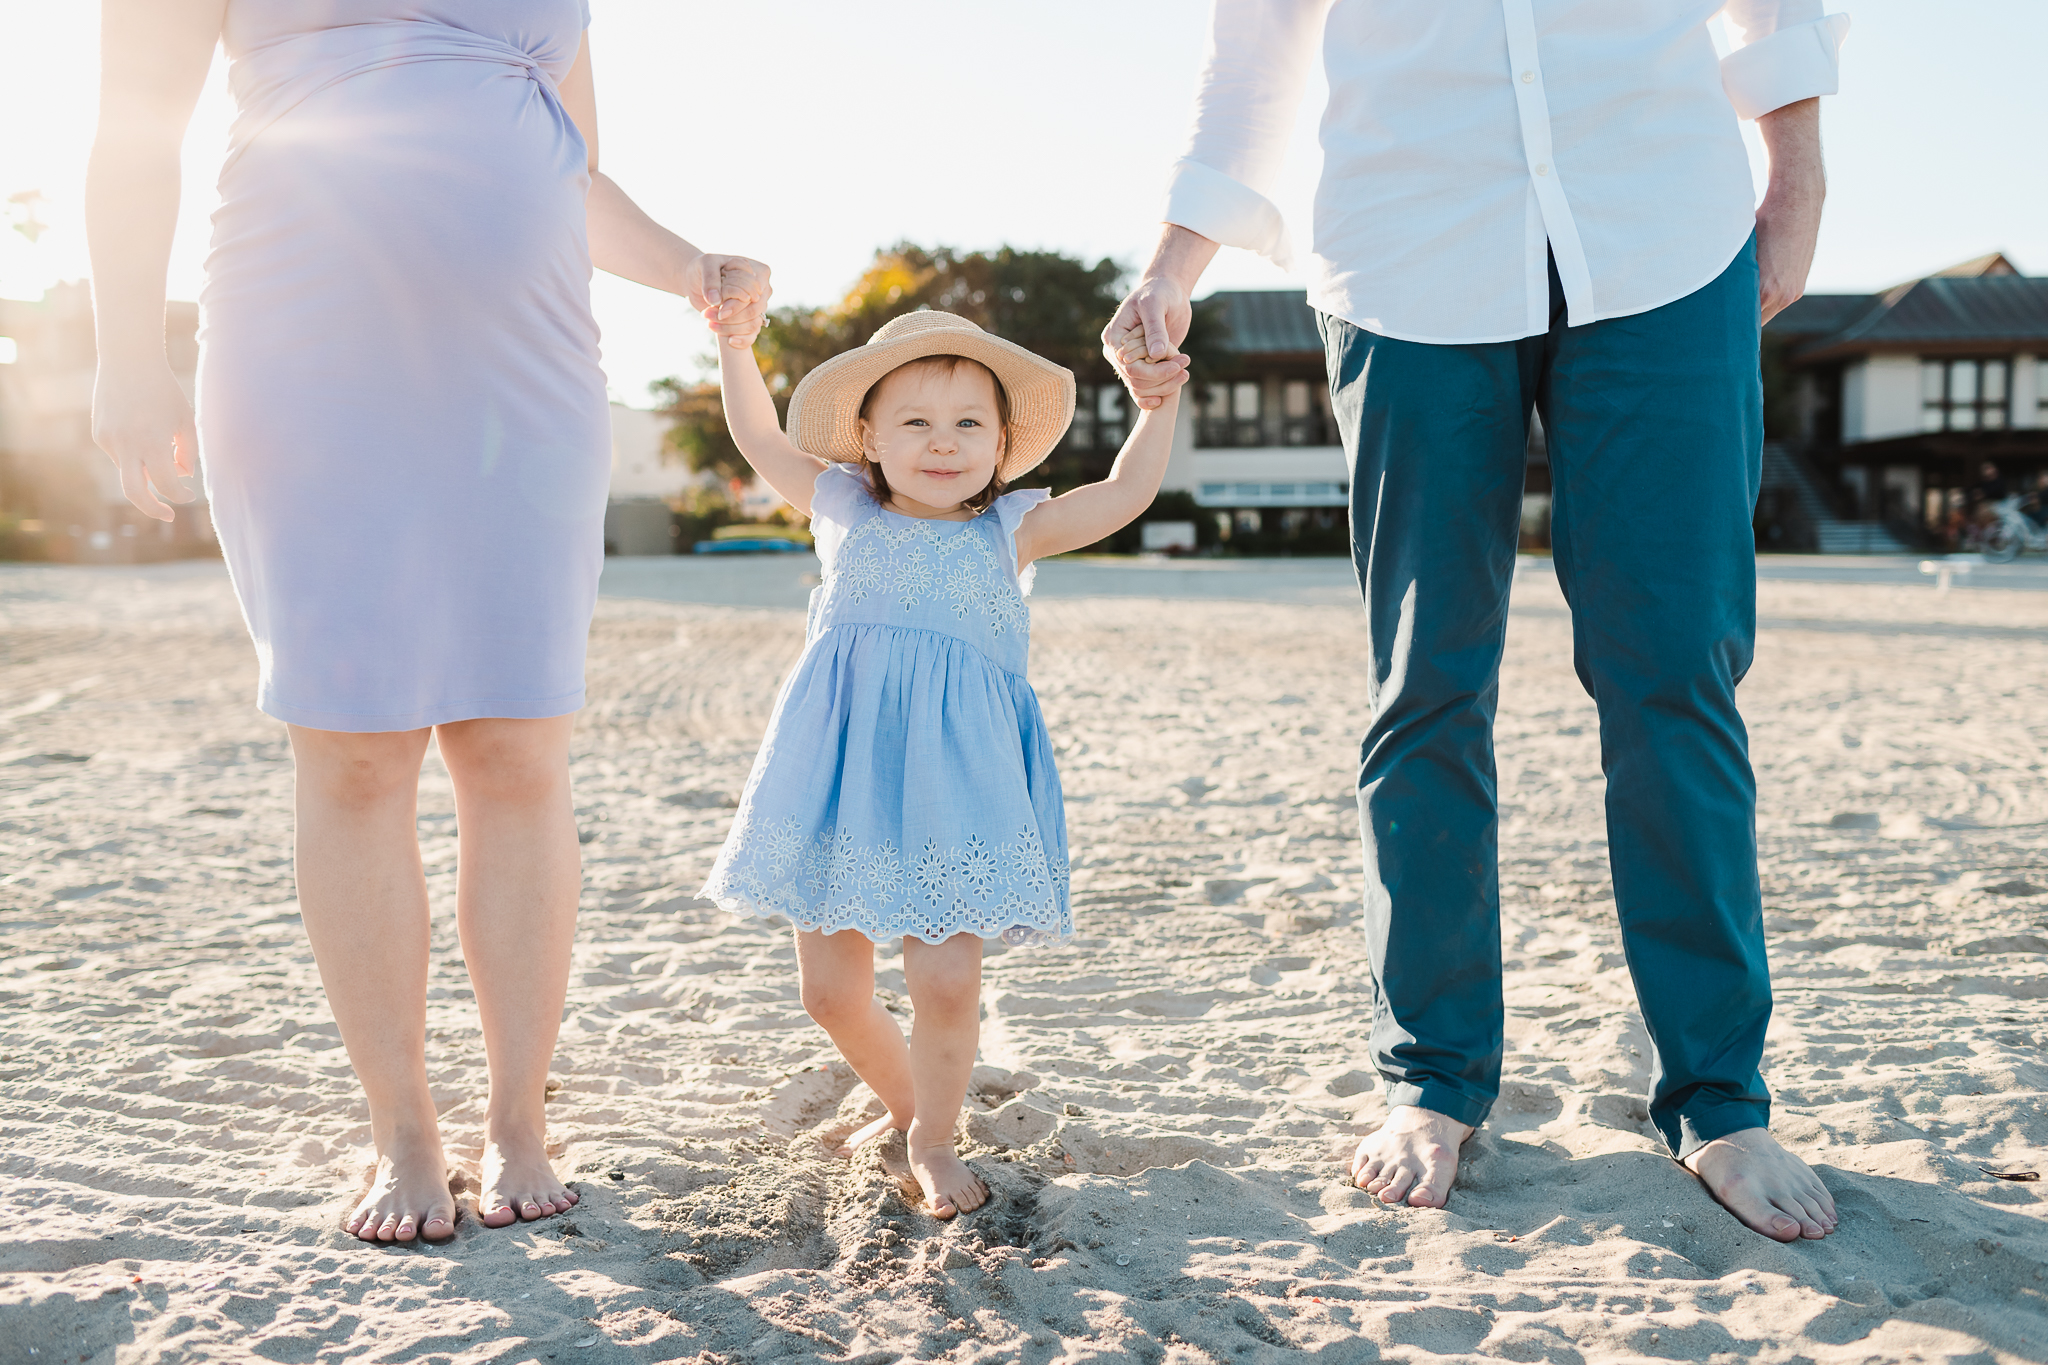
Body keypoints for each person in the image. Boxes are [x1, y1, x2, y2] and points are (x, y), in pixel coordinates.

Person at [1103, 0, 1849, 1243]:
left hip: (1660, 230)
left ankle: (1720, 1097)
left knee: (1675, 677)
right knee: (1425, 687)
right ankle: (1431, 1078)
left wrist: (1797, 172)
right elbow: (1254, 54)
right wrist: (1174, 263)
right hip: (1404, 259)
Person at [87, 0, 768, 1244]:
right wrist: (124, 351)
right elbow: (133, 136)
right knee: (351, 747)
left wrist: (685, 264)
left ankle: (518, 1122)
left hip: (525, 359)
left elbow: (571, 166)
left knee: (515, 747)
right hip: (297, 339)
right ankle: (402, 1129)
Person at [698, 310, 1178, 1217]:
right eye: (915, 422)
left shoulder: (1010, 529)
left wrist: (1157, 408)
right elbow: (756, 434)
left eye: (969, 423)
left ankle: (931, 1134)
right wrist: (734, 347)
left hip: (960, 783)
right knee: (830, 992)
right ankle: (910, 1100)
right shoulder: (841, 506)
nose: (944, 443)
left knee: (949, 978)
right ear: (868, 437)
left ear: (1003, 442)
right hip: (840, 773)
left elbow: (1122, 495)